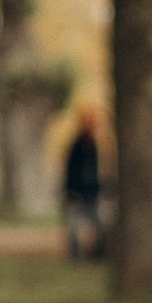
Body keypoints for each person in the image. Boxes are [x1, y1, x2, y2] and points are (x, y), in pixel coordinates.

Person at [61, 112, 105, 261]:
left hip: (90, 194)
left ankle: (97, 254)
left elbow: (93, 171)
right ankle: (75, 257)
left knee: (99, 225)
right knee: (73, 227)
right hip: (77, 194)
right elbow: (70, 171)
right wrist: (70, 192)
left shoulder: (93, 146)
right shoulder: (77, 146)